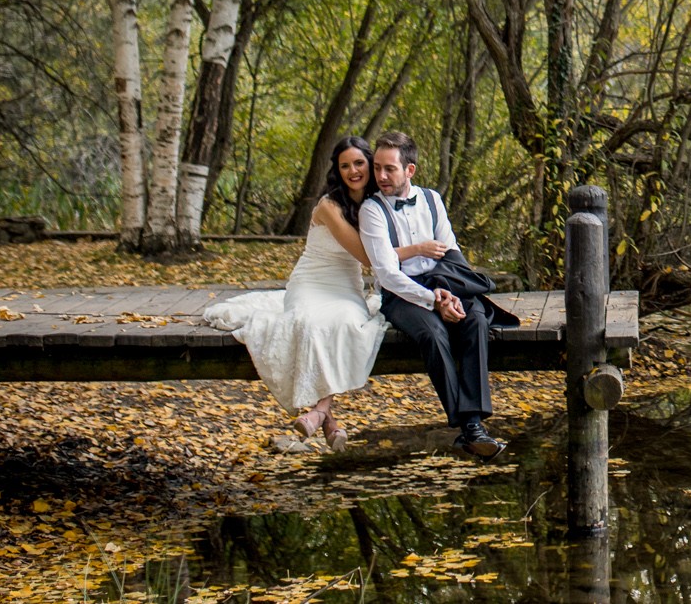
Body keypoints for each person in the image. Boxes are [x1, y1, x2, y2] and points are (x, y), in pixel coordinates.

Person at [203, 136, 436, 452]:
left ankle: (322, 415)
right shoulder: (329, 206)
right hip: (312, 283)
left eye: (359, 163)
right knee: (312, 323)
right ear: (337, 170)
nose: (353, 171)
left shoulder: (376, 204)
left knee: (346, 323)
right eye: (345, 166)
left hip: (346, 287)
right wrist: (419, 248)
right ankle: (325, 415)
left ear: (370, 165)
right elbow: (368, 257)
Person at [359, 130, 511, 459]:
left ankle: (472, 427)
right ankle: (470, 427)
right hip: (400, 293)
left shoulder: (432, 199)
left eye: (389, 169)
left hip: (444, 281)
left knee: (476, 319)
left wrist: (449, 292)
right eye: (377, 168)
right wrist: (433, 300)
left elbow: (450, 250)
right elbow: (386, 272)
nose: (381, 176)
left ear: (410, 170)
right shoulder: (371, 210)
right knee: (432, 333)